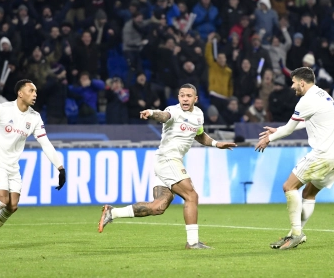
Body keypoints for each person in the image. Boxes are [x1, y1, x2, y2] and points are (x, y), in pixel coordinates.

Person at [98, 83, 237, 249]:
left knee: (158, 207)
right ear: (178, 97)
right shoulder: (174, 111)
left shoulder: (199, 114)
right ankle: (192, 243)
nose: (185, 98)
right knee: (192, 196)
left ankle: (112, 212)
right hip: (167, 160)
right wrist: (151, 113)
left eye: (189, 96)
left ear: (195, 99)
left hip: (167, 163)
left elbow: (198, 135)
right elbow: (163, 116)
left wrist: (216, 143)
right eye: (182, 95)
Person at [0, 79, 66, 251]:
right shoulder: (2, 110)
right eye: (31, 90)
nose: (35, 94)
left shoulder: (34, 118)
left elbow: (46, 143)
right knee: (1, 200)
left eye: (36, 91)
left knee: (12, 206)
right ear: (20, 93)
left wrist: (60, 168)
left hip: (12, 166)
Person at [255, 67, 334, 250]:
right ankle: (294, 234)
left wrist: (269, 139)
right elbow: (305, 121)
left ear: (302, 83)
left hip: (323, 154)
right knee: (308, 194)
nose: (292, 86)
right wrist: (278, 130)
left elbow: (289, 129)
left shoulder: (306, 100)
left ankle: (296, 234)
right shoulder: (323, 95)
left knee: (289, 187)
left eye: (294, 82)